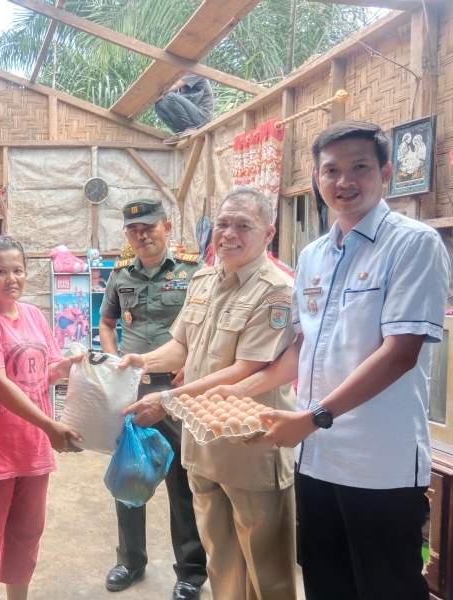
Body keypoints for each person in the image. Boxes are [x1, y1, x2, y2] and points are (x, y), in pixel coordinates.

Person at [210, 120, 451, 600]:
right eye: (331, 170)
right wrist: (235, 392)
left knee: (385, 587)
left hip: (378, 463)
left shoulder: (413, 243)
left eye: (359, 167)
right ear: (317, 178)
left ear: (385, 172)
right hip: (317, 458)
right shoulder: (314, 256)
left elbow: (400, 353)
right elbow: (303, 348)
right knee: (325, 581)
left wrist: (314, 416)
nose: (344, 181)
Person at [123, 187, 298, 600]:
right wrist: (140, 362)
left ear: (268, 233)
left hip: (249, 448)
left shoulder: (276, 291)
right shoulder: (203, 280)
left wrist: (168, 400)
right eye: (223, 224)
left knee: (266, 569)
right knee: (221, 559)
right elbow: (181, 346)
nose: (229, 234)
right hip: (202, 445)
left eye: (243, 226)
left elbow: (245, 369)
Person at [0, 235, 84, 600]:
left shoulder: (34, 316)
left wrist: (70, 367)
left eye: (18, 270)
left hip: (31, 449)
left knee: (26, 537)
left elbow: (47, 371)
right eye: (0, 272)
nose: (11, 279)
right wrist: (49, 426)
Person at [98, 199, 207, 600]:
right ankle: (130, 560)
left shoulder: (193, 273)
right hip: (132, 387)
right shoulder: (121, 274)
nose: (141, 235)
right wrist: (113, 361)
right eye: (133, 229)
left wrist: (192, 364)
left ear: (167, 226)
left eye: (148, 227)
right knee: (130, 473)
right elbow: (106, 323)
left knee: (182, 480)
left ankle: (191, 571)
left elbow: (204, 329)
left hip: (177, 387)